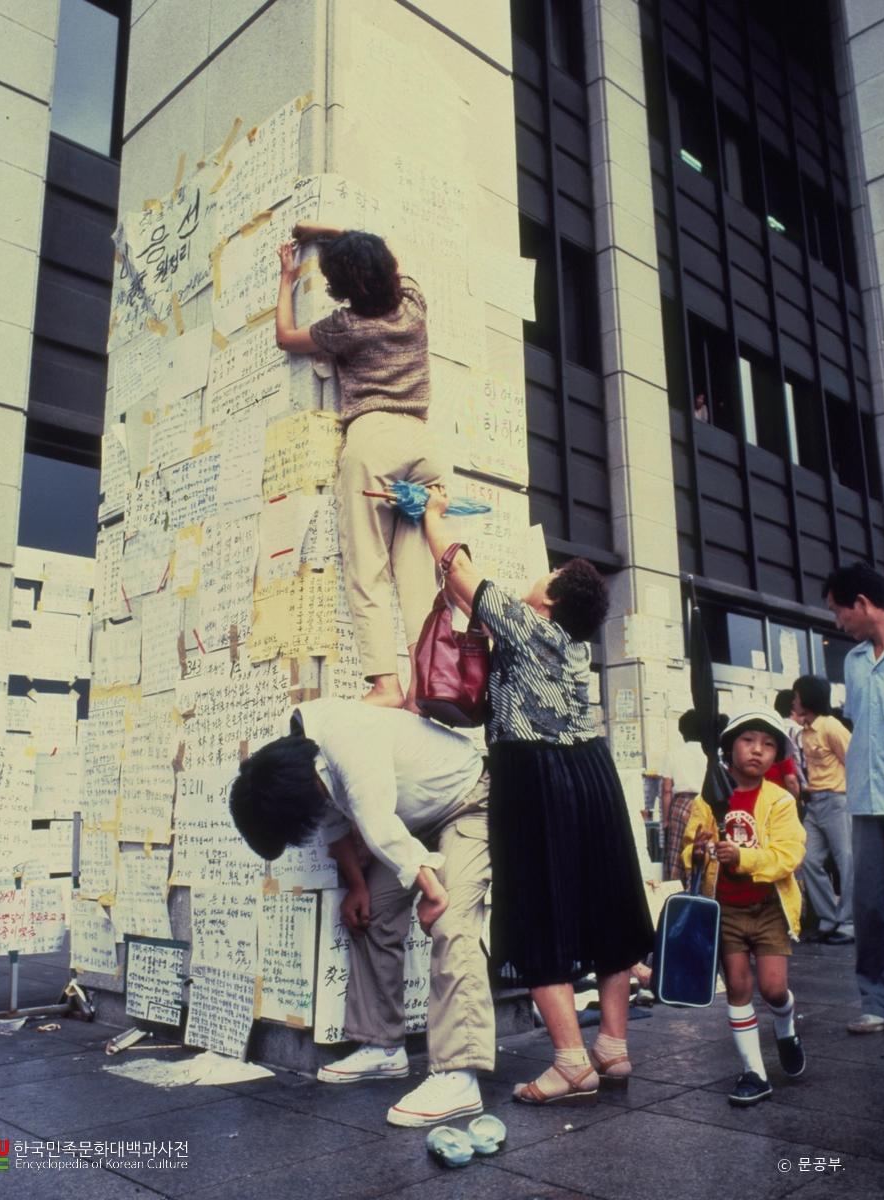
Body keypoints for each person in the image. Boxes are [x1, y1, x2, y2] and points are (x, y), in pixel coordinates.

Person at [422, 489, 654, 1105]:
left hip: (536, 775)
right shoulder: (577, 647)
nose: (539, 574)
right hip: (593, 773)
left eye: (547, 574)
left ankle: (571, 1062)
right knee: (606, 906)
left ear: (549, 600)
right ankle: (612, 1045)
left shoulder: (529, 626)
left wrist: (432, 515)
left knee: (538, 908)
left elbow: (460, 574)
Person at [229, 699, 493, 1127]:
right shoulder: (297, 761)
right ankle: (383, 1046)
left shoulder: (346, 739)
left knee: (452, 922)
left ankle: (458, 1075)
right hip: (413, 822)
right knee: (371, 912)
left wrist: (433, 893)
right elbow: (334, 823)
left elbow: (375, 824)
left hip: (470, 799)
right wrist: (357, 886)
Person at [275, 222, 442, 711]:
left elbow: (286, 336)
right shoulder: (413, 304)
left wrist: (288, 274)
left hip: (374, 441)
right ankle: (420, 686)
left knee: (367, 564)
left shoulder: (345, 326)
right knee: (417, 574)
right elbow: (385, 241)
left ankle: (385, 685)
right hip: (424, 444)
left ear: (344, 288)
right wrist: (326, 230)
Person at [684, 711, 807, 1107]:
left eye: (768, 744)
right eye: (748, 740)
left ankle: (785, 1027)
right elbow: (688, 849)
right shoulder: (709, 796)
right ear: (729, 747)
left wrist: (743, 856)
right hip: (726, 912)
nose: (758, 750)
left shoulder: (781, 801)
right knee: (738, 987)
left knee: (773, 989)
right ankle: (754, 1072)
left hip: (768, 906)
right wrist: (699, 850)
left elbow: (789, 855)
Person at [823, 562, 884, 1033]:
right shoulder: (853, 662)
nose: (838, 623)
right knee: (870, 905)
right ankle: (880, 1000)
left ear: (863, 604)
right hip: (867, 802)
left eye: (838, 612)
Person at [792, 674, 854, 945]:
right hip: (815, 804)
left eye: (796, 696)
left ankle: (849, 925)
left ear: (808, 698)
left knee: (847, 863)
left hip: (838, 802)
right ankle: (829, 920)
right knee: (808, 859)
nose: (793, 701)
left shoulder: (831, 727)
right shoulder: (805, 731)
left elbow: (854, 761)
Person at [659, 710, 709, 883]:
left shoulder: (673, 754)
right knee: (703, 850)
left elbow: (666, 790)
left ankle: (676, 892)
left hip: (680, 805)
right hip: (705, 803)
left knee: (677, 853)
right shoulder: (711, 754)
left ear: (682, 732)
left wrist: (666, 820)